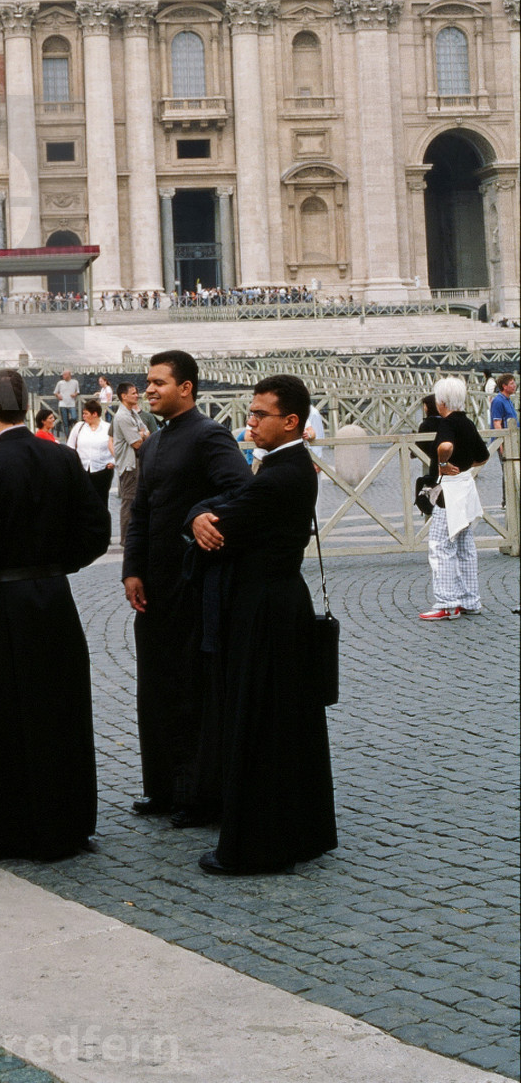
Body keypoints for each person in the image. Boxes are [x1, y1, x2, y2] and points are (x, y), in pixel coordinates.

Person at [0, 368, 111, 861]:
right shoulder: (63, 459)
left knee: (0, 714)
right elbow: (95, 531)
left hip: (2, 603)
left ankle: (5, 828)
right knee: (58, 710)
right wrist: (57, 567)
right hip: (53, 597)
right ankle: (66, 821)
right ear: (27, 408)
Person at [188, 375, 338, 876]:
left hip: (264, 610)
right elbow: (218, 512)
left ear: (290, 421)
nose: (248, 422)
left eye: (258, 415)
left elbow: (226, 523)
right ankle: (301, 829)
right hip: (276, 602)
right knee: (286, 723)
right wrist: (200, 515)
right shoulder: (286, 464)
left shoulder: (281, 475)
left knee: (259, 722)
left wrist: (198, 517)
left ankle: (256, 846)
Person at [122, 350, 251, 826]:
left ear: (187, 388)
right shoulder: (153, 443)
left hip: (195, 585)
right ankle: (161, 786)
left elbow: (239, 489)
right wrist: (131, 569)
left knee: (192, 691)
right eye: (147, 382)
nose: (149, 389)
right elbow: (142, 512)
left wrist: (200, 511)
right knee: (154, 688)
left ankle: (197, 795)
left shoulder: (210, 434)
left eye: (158, 382)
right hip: (154, 586)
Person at [419, 375, 489, 621]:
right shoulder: (468, 423)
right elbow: (483, 455)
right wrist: (466, 465)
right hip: (467, 488)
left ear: (442, 402)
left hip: (449, 492)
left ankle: (447, 603)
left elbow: (445, 446)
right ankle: (470, 599)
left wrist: (443, 463)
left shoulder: (447, 424)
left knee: (440, 546)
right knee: (464, 546)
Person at [112, 382, 149, 547]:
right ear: (123, 396)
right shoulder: (123, 417)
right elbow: (137, 443)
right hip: (129, 465)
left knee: (138, 499)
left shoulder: (133, 414)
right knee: (129, 499)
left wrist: (142, 434)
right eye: (133, 393)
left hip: (137, 463)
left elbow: (146, 431)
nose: (137, 395)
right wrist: (141, 435)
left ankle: (134, 535)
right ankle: (126, 539)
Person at [68, 399, 115, 506]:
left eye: (85, 413)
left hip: (102, 470)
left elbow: (117, 446)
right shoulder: (79, 427)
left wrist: (114, 461)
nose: (83, 416)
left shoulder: (108, 428)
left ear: (94, 414)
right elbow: (70, 446)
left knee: (101, 501)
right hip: (82, 470)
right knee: (83, 501)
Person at [54, 369, 80, 438]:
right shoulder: (60, 383)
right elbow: (55, 392)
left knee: (74, 417)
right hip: (63, 404)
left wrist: (75, 394)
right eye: (63, 375)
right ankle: (68, 437)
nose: (63, 376)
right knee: (65, 423)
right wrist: (58, 395)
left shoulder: (75, 382)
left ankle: (71, 426)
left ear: (69, 375)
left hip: (71, 403)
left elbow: (77, 391)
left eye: (65, 375)